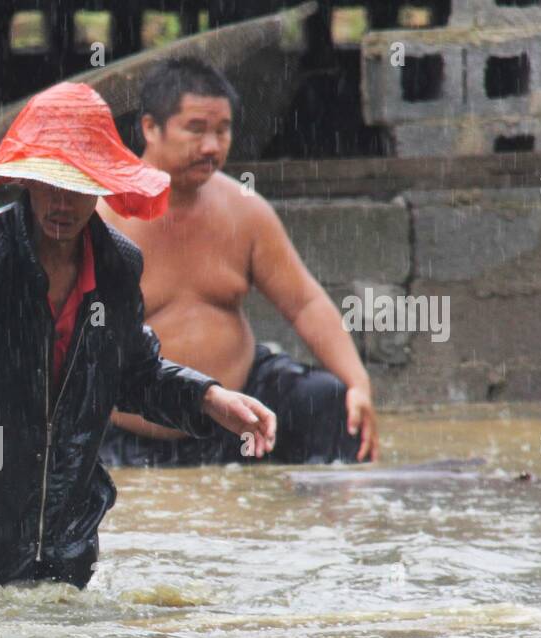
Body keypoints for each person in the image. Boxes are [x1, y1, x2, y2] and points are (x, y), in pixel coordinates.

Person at [0, 83, 276, 589]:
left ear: (103, 186)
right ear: (26, 181)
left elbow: (132, 374)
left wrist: (208, 398)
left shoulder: (117, 266)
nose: (62, 202)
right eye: (49, 183)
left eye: (79, 185)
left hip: (63, 560)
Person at [97, 58, 379, 468]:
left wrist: (358, 383)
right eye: (196, 129)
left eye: (222, 130)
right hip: (126, 434)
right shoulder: (102, 217)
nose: (212, 146)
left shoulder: (246, 211)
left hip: (238, 421)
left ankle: (342, 517)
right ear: (149, 128)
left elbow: (304, 303)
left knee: (328, 399)